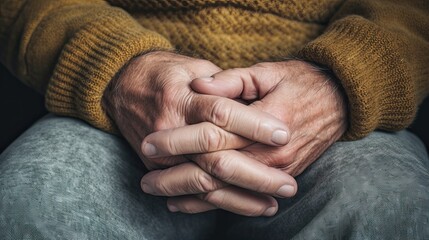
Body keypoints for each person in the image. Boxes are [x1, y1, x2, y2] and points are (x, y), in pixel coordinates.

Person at [0, 0, 428, 239]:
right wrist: (118, 69)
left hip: (337, 116)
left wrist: (343, 80)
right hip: (116, 109)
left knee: (393, 208)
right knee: (27, 202)